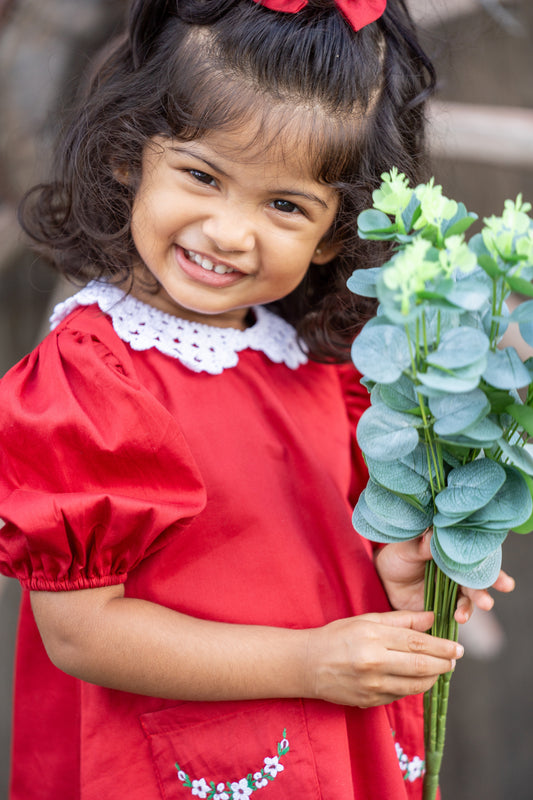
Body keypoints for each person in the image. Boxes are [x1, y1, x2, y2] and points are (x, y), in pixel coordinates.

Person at [0, 1, 514, 798]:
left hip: (334, 755)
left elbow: (331, 547)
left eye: (284, 206)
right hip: (178, 766)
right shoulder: (90, 379)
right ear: (128, 156)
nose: (230, 233)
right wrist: (306, 663)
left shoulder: (318, 368)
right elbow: (82, 634)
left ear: (335, 234)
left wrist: (401, 572)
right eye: (202, 176)